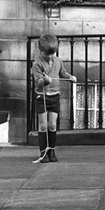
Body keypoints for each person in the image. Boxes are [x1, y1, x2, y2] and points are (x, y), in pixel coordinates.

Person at [32, 34, 77, 163]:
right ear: (40, 51)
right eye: (48, 54)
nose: (51, 57)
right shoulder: (37, 64)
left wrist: (70, 77)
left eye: (53, 54)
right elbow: (38, 82)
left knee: (52, 125)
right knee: (43, 126)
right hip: (42, 97)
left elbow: (62, 73)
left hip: (55, 96)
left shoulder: (58, 61)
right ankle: (43, 153)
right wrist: (45, 81)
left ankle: (52, 150)